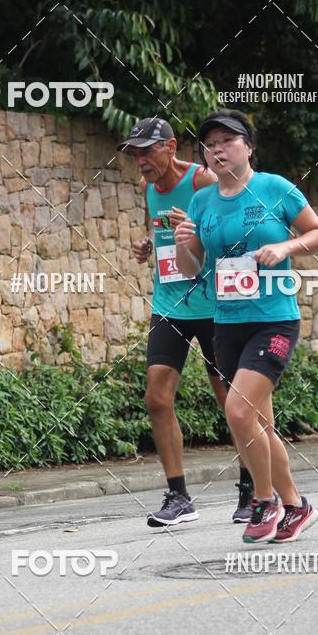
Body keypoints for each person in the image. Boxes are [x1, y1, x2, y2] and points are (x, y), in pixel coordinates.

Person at [174, 109, 318, 542]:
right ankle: (298, 506)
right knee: (258, 423)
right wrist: (184, 244)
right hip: (227, 323)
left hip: (274, 320)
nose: (217, 148)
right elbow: (192, 269)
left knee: (238, 410)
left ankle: (264, 501)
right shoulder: (202, 200)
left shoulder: (274, 188)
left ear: (248, 147)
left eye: (227, 140)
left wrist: (284, 246)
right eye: (210, 144)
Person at [117, 117, 256, 527]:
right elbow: (164, 233)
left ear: (170, 146)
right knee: (156, 398)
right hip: (170, 304)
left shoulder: (202, 180)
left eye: (147, 151)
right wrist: (150, 242)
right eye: (135, 153)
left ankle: (251, 489)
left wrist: (193, 229)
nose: (140, 160)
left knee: (232, 403)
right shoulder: (149, 188)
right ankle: (179, 497)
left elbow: (232, 230)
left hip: (215, 306)